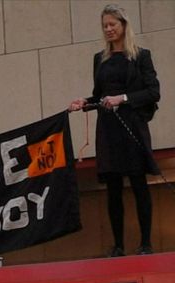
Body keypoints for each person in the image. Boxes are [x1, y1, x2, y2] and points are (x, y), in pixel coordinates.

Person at [68, 4, 160, 257]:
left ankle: (146, 244)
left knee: (139, 183)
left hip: (132, 125)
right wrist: (84, 103)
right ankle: (118, 245)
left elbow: (153, 92)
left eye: (113, 25)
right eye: (105, 26)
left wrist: (123, 98)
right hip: (108, 129)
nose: (108, 29)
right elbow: (99, 95)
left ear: (123, 26)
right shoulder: (100, 58)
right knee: (113, 187)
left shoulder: (141, 56)